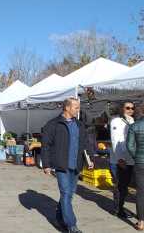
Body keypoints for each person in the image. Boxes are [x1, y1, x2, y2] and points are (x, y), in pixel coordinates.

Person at [41, 97, 93, 233]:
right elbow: (45, 145)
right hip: (61, 166)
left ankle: (59, 218)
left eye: (78, 107)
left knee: (68, 195)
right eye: (76, 107)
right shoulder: (53, 124)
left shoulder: (79, 125)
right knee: (65, 193)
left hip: (76, 166)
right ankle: (72, 226)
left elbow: (85, 144)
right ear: (67, 108)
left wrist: (90, 159)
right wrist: (46, 164)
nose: (78, 110)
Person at [109, 101, 135, 218]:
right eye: (127, 108)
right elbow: (115, 140)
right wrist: (120, 158)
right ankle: (118, 209)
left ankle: (120, 207)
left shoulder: (132, 121)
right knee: (119, 186)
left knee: (124, 186)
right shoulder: (116, 121)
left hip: (130, 159)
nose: (130, 110)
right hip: (119, 160)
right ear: (122, 109)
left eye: (132, 108)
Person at [127, 101, 144, 231]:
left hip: (140, 162)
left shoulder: (135, 126)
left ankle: (140, 222)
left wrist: (136, 156)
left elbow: (129, 145)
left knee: (141, 192)